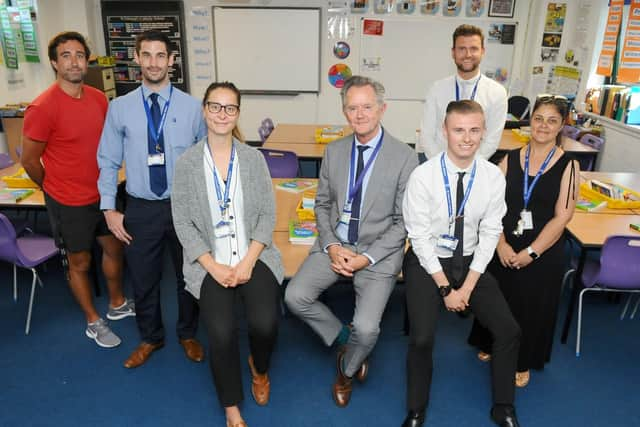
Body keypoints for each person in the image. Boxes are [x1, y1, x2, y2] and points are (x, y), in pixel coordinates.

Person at [285, 75, 418, 408]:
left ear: (382, 109)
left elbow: (404, 223)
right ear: (345, 112)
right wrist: (331, 245)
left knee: (368, 329)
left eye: (367, 107)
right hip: (336, 244)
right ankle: (343, 337)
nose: (360, 115)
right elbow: (323, 205)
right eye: (352, 108)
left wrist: (366, 259)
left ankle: (346, 368)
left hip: (378, 253)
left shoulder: (405, 157)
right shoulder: (334, 151)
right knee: (294, 296)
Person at [401, 100, 521, 427]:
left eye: (474, 130)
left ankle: (503, 406)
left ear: (483, 132)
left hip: (471, 260)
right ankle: (415, 409)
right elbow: (420, 239)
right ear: (445, 132)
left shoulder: (492, 177)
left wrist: (466, 286)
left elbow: (491, 232)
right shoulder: (423, 176)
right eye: (459, 130)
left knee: (509, 331)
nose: (466, 138)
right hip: (428, 263)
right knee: (422, 338)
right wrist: (445, 288)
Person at [172, 81, 283, 427]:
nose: (222, 114)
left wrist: (249, 261)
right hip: (210, 263)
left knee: (265, 323)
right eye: (215, 106)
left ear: (237, 114)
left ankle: (259, 369)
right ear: (204, 110)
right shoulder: (187, 164)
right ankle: (231, 406)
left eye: (230, 108)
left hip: (254, 255)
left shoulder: (252, 159)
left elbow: (267, 213)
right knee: (220, 333)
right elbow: (183, 222)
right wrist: (211, 265)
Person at [97, 30, 206, 368]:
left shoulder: (192, 108)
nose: (154, 62)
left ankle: (188, 332)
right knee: (143, 277)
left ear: (172, 60)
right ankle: (150, 338)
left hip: (184, 205)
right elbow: (108, 160)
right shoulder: (120, 108)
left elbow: (206, 159)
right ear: (138, 59)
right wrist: (109, 208)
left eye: (161, 55)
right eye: (147, 55)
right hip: (141, 207)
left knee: (190, 276)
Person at [21, 31, 133, 348]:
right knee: (80, 262)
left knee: (114, 249)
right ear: (55, 63)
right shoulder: (42, 107)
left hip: (105, 194)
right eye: (66, 55)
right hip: (68, 202)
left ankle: (117, 303)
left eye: (80, 55)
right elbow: (30, 160)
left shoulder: (98, 98)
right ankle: (92, 321)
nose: (74, 61)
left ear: (87, 61)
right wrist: (53, 187)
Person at [468, 95, 579, 388]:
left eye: (552, 120)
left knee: (531, 304)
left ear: (561, 126)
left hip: (541, 248)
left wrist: (532, 252)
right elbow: (492, 206)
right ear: (531, 121)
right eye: (539, 118)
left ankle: (522, 360)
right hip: (505, 240)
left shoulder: (569, 166)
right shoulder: (510, 158)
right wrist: (501, 244)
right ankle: (490, 342)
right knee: (495, 296)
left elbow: (562, 217)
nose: (543, 125)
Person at [416, 24, 507, 162]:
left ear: (482, 51)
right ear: (453, 52)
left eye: (474, 49)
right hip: (437, 162)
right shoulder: (436, 89)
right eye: (462, 49)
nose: (468, 55)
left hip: (475, 166)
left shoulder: (497, 93)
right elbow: (427, 135)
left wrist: (467, 167)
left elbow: (491, 141)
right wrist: (442, 164)